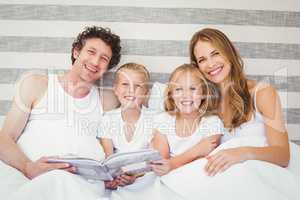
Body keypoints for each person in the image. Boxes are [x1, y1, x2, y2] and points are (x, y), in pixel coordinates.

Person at [156, 28, 300, 200]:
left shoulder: (262, 93)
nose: (210, 64)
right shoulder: (203, 102)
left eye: (215, 53)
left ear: (229, 51)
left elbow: (283, 155)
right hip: (227, 182)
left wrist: (241, 153)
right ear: (197, 67)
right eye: (202, 59)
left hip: (263, 175)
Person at [0, 26, 121, 200]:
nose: (95, 62)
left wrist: (115, 173)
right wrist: (28, 167)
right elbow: (4, 137)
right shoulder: (36, 84)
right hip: (30, 178)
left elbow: (113, 147)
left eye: (104, 58)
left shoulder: (107, 100)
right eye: (91, 52)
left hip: (81, 185)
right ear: (76, 52)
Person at [151, 64, 227, 176]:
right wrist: (197, 150)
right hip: (169, 177)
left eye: (192, 89)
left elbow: (205, 163)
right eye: (178, 89)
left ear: (204, 93)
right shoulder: (163, 120)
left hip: (197, 177)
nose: (186, 95)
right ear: (171, 94)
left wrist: (172, 164)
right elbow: (161, 164)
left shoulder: (212, 122)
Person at [98, 63, 159, 199]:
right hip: (118, 178)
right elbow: (108, 159)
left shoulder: (155, 119)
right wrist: (114, 177)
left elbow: (153, 159)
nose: (131, 90)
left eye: (138, 86)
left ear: (146, 93)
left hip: (144, 177)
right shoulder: (108, 119)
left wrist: (134, 176)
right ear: (115, 89)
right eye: (125, 84)